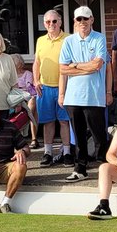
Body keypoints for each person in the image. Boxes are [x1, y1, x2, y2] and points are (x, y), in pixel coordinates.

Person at [59, 5, 112, 182]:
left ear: (92, 20)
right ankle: (80, 169)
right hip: (73, 97)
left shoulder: (99, 38)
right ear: (75, 21)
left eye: (86, 18)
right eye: (79, 19)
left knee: (99, 136)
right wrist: (84, 67)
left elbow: (97, 65)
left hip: (94, 96)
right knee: (79, 136)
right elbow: (62, 69)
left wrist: (74, 65)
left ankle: (107, 169)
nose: (82, 22)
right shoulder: (68, 41)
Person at [33, 10, 72, 167]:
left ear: (60, 22)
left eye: (54, 21)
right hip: (45, 88)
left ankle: (67, 153)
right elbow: (37, 62)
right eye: (48, 22)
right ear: (44, 24)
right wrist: (36, 80)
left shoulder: (69, 39)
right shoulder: (40, 40)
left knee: (64, 121)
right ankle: (48, 152)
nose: (51, 24)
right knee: (48, 122)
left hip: (65, 88)